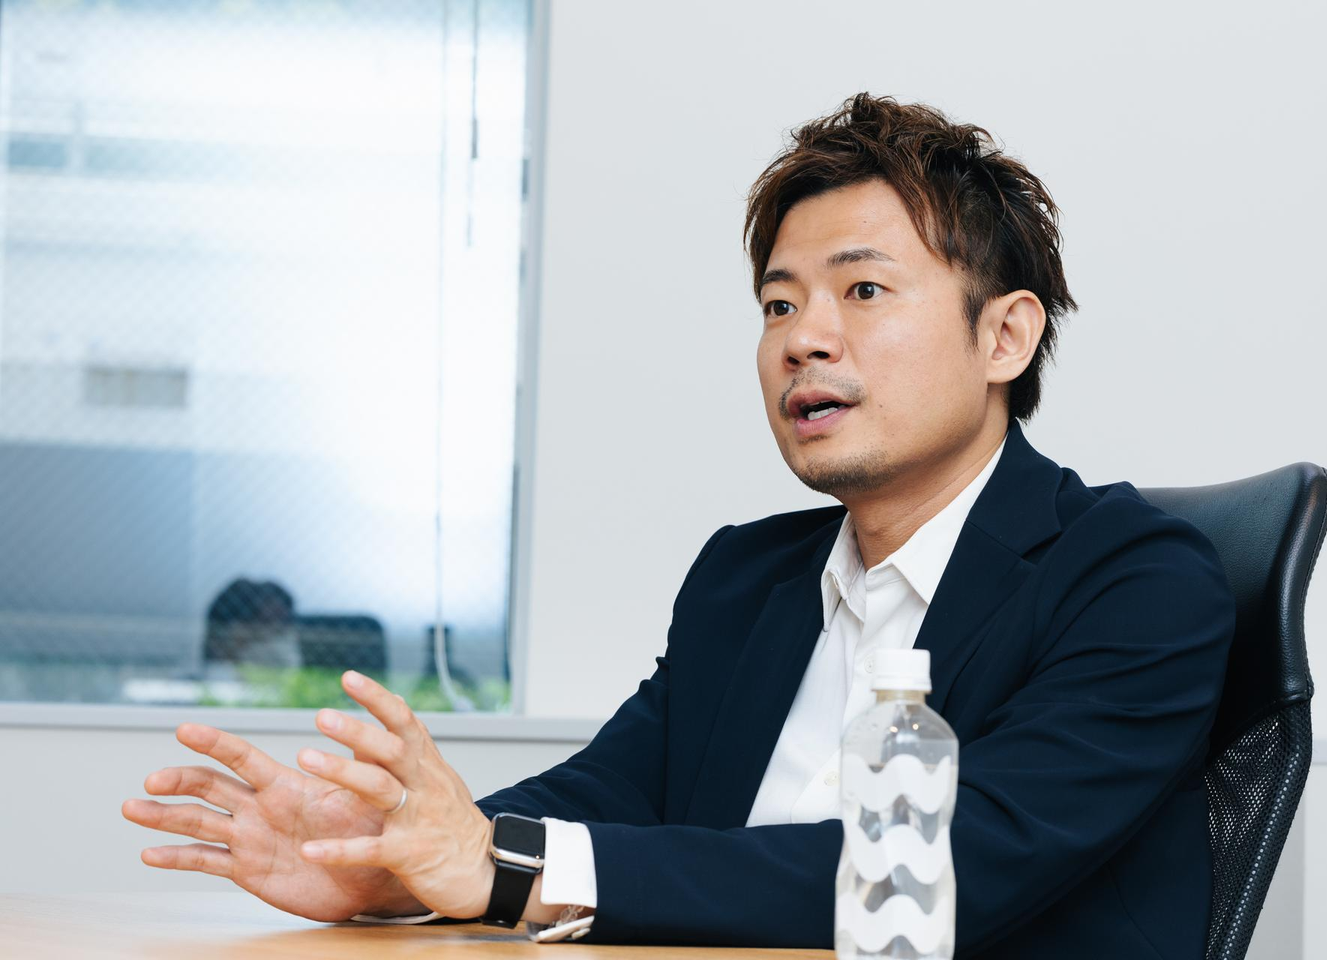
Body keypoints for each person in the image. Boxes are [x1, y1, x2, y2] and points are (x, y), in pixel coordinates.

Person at [121, 93, 1235, 957]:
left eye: (862, 291)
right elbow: (614, 792)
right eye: (779, 304)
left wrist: (501, 869)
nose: (803, 339)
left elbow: (942, 876)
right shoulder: (747, 577)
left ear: (1005, 338)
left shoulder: (1136, 581)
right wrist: (390, 859)